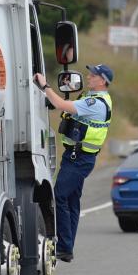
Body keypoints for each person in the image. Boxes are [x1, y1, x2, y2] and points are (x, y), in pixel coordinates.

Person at [33, 64, 114, 263]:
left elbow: (62, 106)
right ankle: (66, 248)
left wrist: (45, 86)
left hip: (79, 158)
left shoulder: (95, 103)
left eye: (93, 75)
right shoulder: (92, 98)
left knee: (60, 195)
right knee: (71, 200)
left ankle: (64, 247)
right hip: (78, 156)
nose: (88, 76)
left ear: (102, 80)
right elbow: (66, 108)